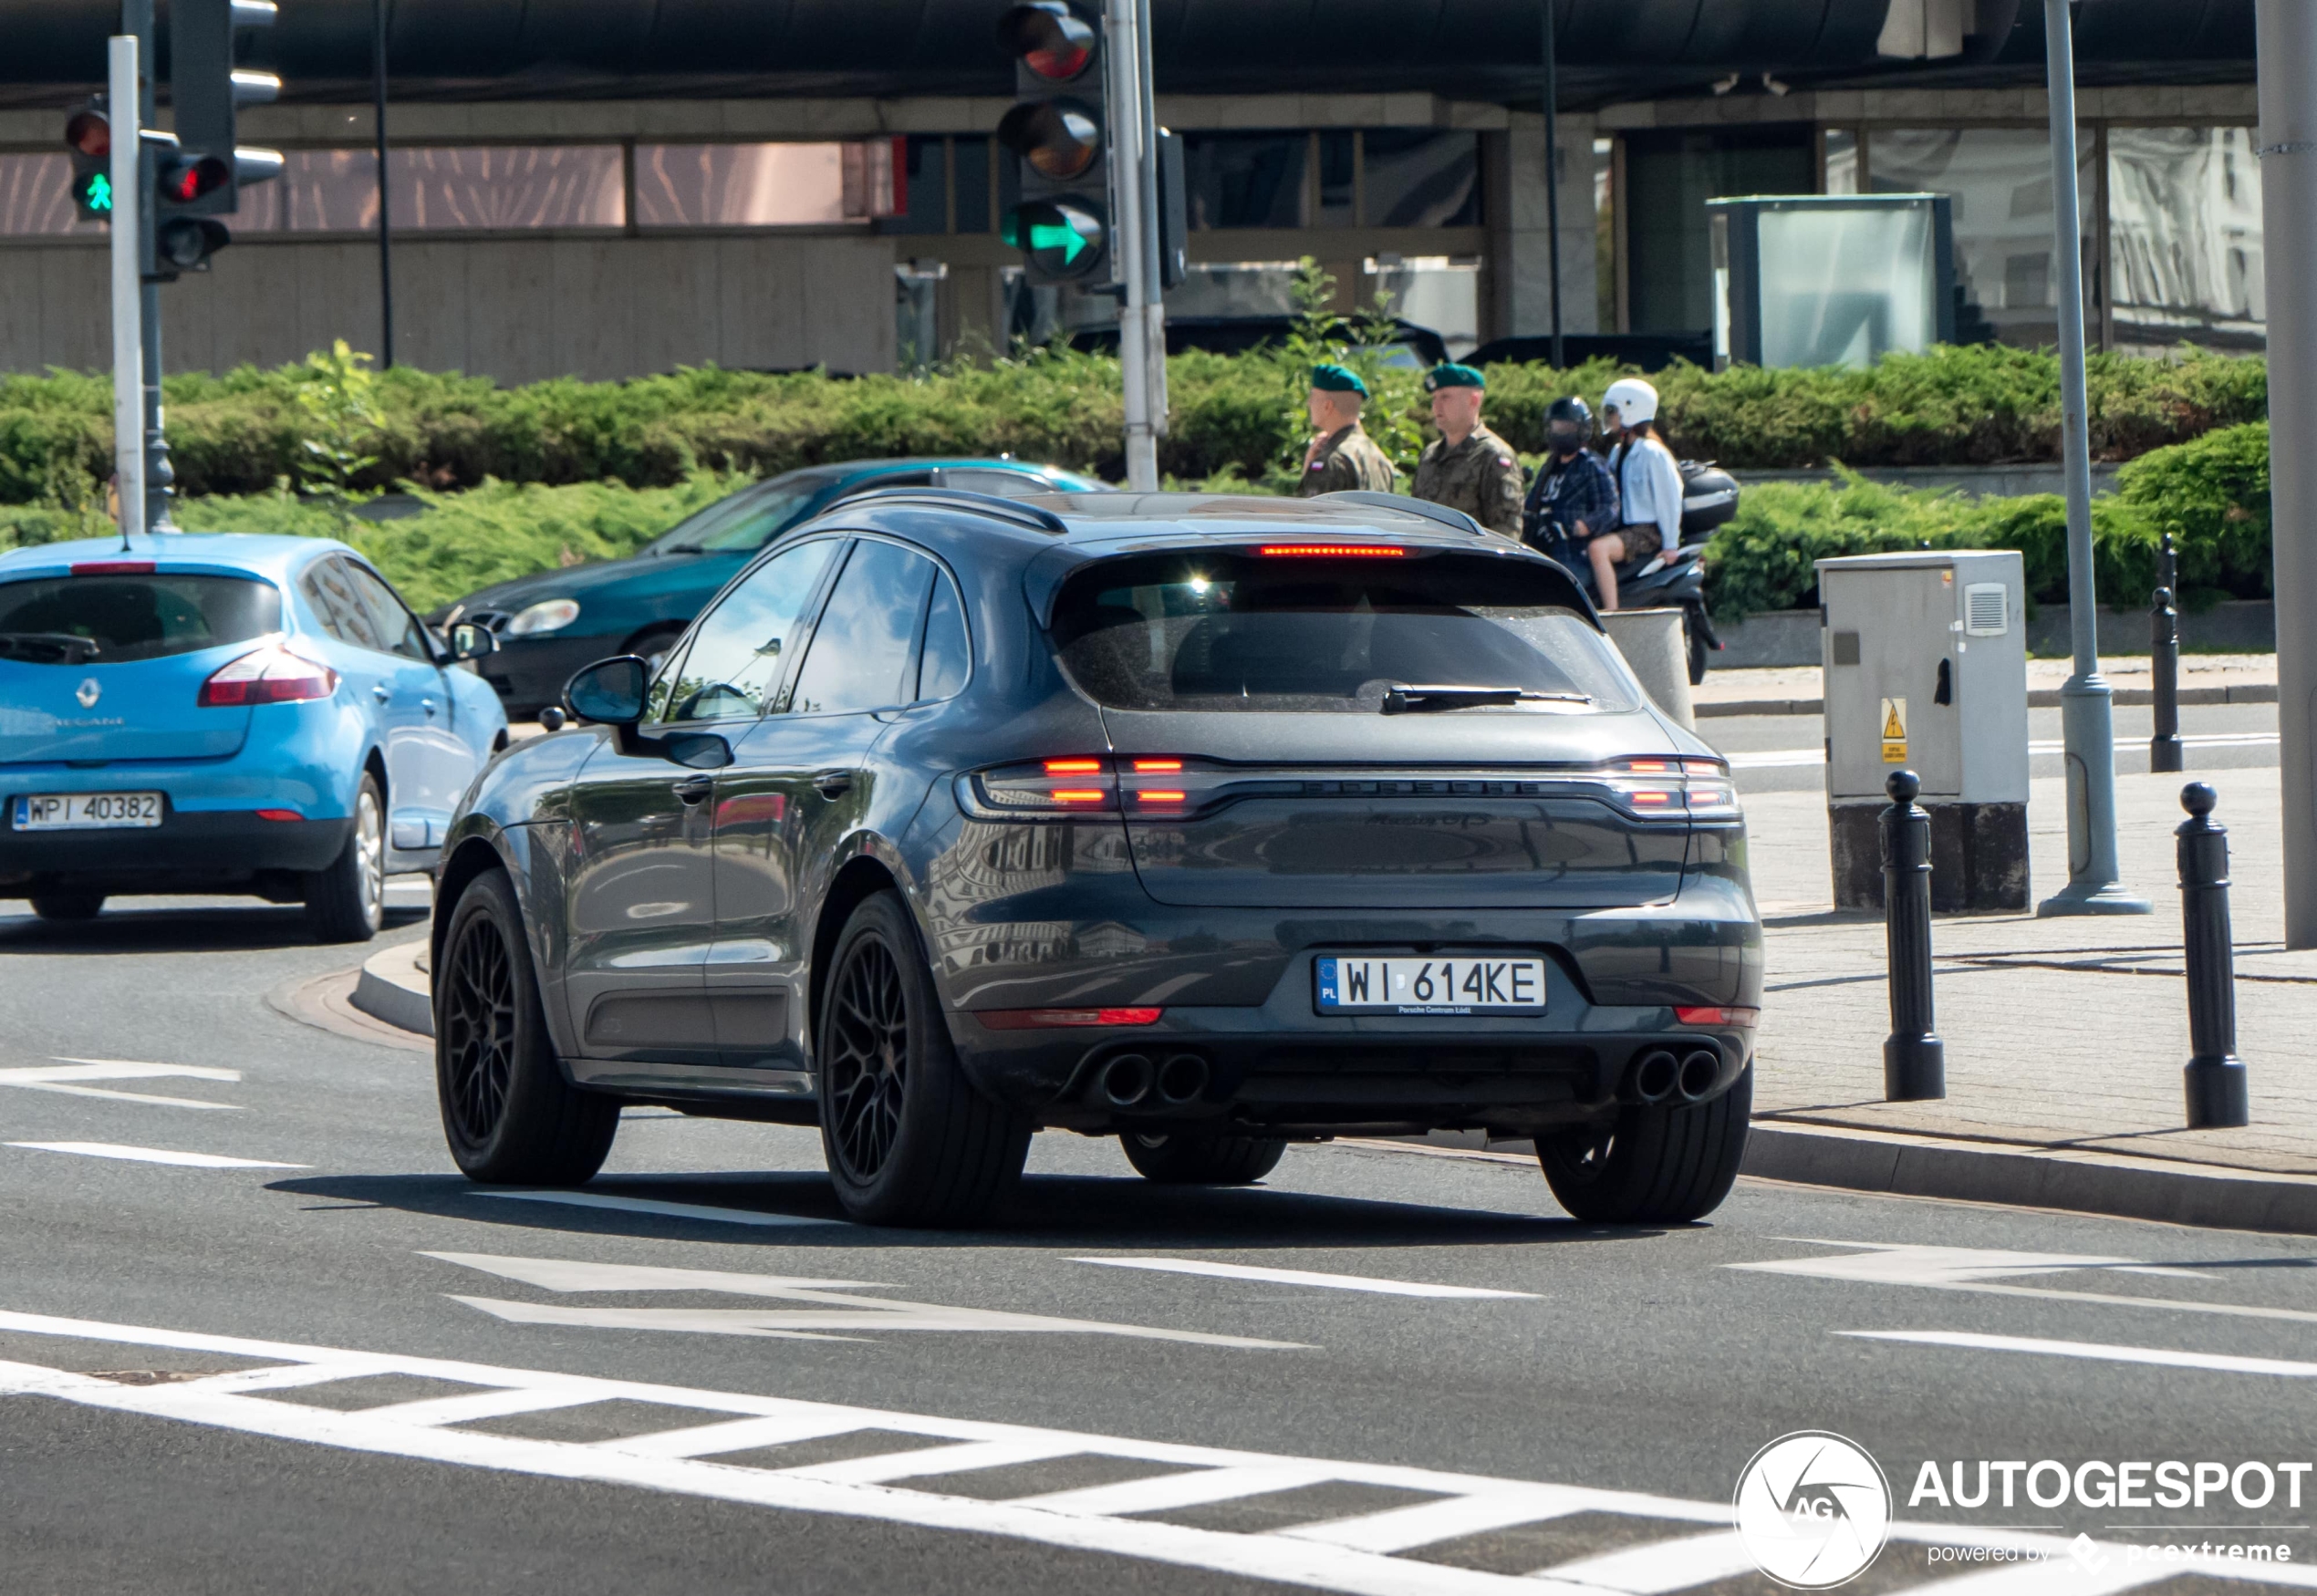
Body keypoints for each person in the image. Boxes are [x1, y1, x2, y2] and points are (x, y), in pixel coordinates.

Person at [1591, 376, 1686, 612]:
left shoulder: (1653, 453)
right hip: (1623, 528)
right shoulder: (1617, 451)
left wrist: (1671, 543)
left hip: (1646, 531)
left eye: (1613, 411)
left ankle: (1611, 614)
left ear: (1631, 411)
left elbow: (1669, 498)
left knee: (1598, 549)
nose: (1609, 416)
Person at [1409, 363, 1523, 538]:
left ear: (1474, 400)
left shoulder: (1493, 455)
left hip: (1471, 562)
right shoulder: (1430, 455)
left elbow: (1506, 530)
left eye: (1446, 397)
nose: (1436, 407)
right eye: (1434, 398)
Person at [1521, 395, 1619, 567]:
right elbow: (1531, 506)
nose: (1561, 433)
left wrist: (1578, 527)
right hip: (1542, 551)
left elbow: (1610, 508)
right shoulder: (1549, 467)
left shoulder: (1591, 465)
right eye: (1557, 427)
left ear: (1582, 429)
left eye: (1568, 428)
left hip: (1575, 554)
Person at [1296, 363, 1397, 495]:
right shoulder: (1381, 459)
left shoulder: (1332, 460)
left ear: (1327, 406)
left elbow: (1308, 511)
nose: (1309, 403)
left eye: (1313, 397)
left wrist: (1310, 465)